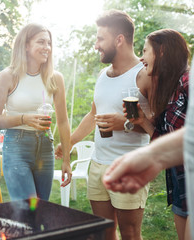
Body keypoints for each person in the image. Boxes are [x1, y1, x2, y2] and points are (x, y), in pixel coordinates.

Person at [56, 10, 152, 239]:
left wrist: (126, 124)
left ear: (119, 40)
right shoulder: (102, 74)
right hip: (98, 164)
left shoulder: (144, 74)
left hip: (130, 166)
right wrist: (70, 142)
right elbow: (93, 115)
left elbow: (157, 124)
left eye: (100, 38)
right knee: (103, 232)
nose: (96, 45)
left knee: (129, 233)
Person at [0, 23, 72, 201]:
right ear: (26, 45)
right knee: (26, 211)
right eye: (41, 42)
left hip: (45, 147)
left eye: (49, 43)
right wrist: (24, 119)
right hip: (16, 146)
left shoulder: (55, 77)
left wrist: (66, 159)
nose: (47, 47)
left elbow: (63, 122)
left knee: (42, 209)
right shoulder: (8, 76)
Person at [125, 29, 190, 240]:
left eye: (145, 51)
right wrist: (142, 121)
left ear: (161, 52)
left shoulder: (188, 83)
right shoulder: (169, 89)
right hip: (181, 184)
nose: (141, 58)